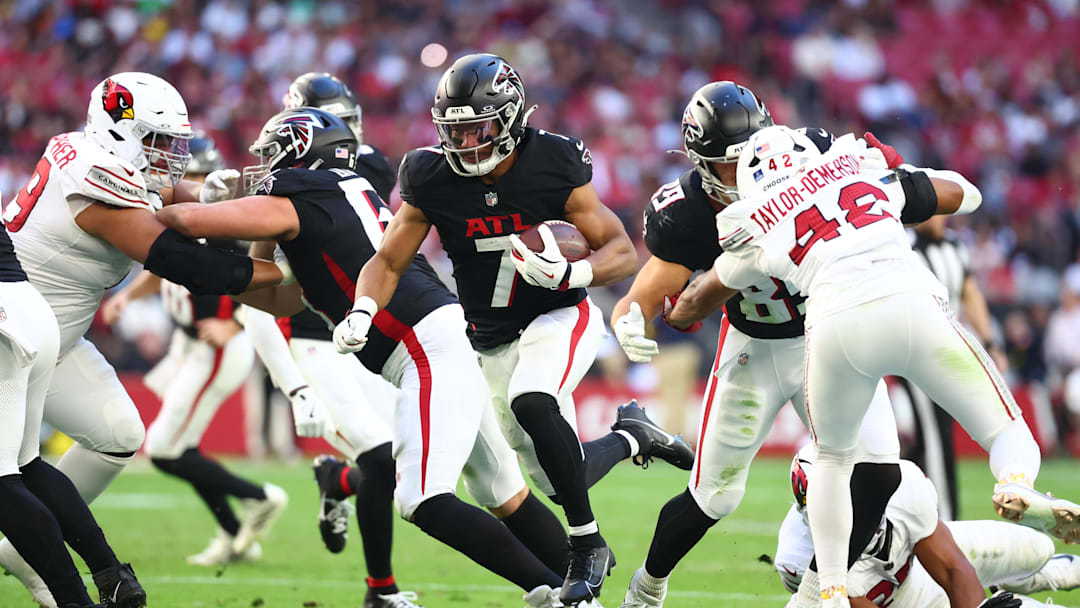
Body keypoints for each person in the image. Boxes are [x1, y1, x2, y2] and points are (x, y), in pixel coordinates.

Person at [154, 107, 625, 608]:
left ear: (300, 152)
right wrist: (229, 267)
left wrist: (169, 203)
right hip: (438, 336)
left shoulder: (300, 192)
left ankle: (556, 597)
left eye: (272, 154)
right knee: (501, 493)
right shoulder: (331, 194)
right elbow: (281, 297)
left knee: (423, 499)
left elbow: (184, 219)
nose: (264, 168)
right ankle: (581, 589)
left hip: (422, 345)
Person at [331, 53, 693, 606]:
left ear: (513, 116)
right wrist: (362, 308)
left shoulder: (552, 161)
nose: (468, 141)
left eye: (479, 126)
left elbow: (621, 249)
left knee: (532, 398)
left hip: (560, 315)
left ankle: (587, 545)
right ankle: (631, 437)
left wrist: (577, 271)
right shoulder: (430, 173)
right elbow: (387, 260)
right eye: (455, 129)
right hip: (489, 337)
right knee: (551, 479)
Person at [666, 124, 1080, 607]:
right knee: (1007, 428)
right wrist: (897, 168)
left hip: (835, 326)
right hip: (912, 303)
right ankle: (1015, 482)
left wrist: (678, 311)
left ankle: (834, 589)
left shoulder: (755, 218)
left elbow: (705, 293)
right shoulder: (862, 172)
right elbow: (966, 194)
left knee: (834, 461)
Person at [613, 82, 902, 608]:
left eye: (753, 152)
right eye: (729, 163)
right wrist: (628, 320)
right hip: (755, 349)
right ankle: (646, 588)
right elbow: (646, 293)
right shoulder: (692, 210)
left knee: (880, 471)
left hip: (831, 338)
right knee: (713, 497)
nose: (748, 171)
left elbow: (887, 174)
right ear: (701, 164)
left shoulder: (811, 156)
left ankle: (815, 595)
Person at [0, 72, 284, 605]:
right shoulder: (94, 178)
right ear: (118, 132)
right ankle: (61, 570)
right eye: (157, 141)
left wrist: (227, 198)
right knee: (11, 469)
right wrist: (279, 271)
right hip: (12, 338)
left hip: (55, 340)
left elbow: (177, 192)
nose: (169, 155)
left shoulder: (95, 155)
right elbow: (181, 261)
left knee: (118, 434)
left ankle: (23, 553)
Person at [102, 134, 288, 567]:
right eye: (191, 177)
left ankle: (259, 497)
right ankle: (233, 530)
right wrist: (129, 295)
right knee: (181, 448)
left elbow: (275, 276)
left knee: (166, 448)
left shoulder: (229, 228)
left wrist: (235, 321)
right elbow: (161, 264)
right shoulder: (171, 213)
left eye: (204, 177)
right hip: (187, 345)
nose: (198, 186)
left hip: (216, 347)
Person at [0, 192, 145, 608]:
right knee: (26, 466)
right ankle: (113, 576)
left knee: (3, 481)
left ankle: (74, 601)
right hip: (33, 308)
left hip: (9, 318)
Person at [778, 448, 1080, 607]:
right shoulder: (800, 561)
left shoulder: (898, 484)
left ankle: (1035, 576)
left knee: (1039, 548)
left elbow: (950, 567)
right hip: (912, 603)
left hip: (926, 561)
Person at [894, 214, 1005, 520]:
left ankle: (896, 507)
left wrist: (990, 342)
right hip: (916, 353)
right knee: (935, 435)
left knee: (932, 437)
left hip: (949, 353)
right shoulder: (903, 245)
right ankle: (947, 521)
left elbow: (970, 293)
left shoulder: (955, 246)